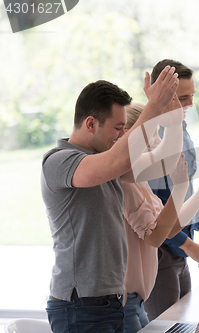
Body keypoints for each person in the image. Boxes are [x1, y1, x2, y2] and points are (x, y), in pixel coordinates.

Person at [41, 66, 180, 333]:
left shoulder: (108, 165)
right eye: (118, 127)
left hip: (109, 303)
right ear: (91, 123)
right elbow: (119, 160)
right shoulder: (59, 162)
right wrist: (154, 105)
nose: (121, 134)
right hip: (79, 305)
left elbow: (164, 162)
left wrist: (172, 123)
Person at [121, 102, 199, 332]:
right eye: (153, 139)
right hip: (125, 301)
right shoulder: (126, 183)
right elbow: (158, 235)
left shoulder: (139, 181)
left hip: (136, 300)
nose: (159, 145)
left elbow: (169, 225)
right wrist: (181, 186)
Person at [144, 59, 199, 320]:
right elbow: (156, 204)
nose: (190, 103)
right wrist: (187, 244)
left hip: (179, 250)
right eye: (183, 97)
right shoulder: (151, 138)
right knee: (166, 325)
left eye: (192, 96)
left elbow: (182, 190)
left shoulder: (183, 131)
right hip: (161, 251)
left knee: (185, 323)